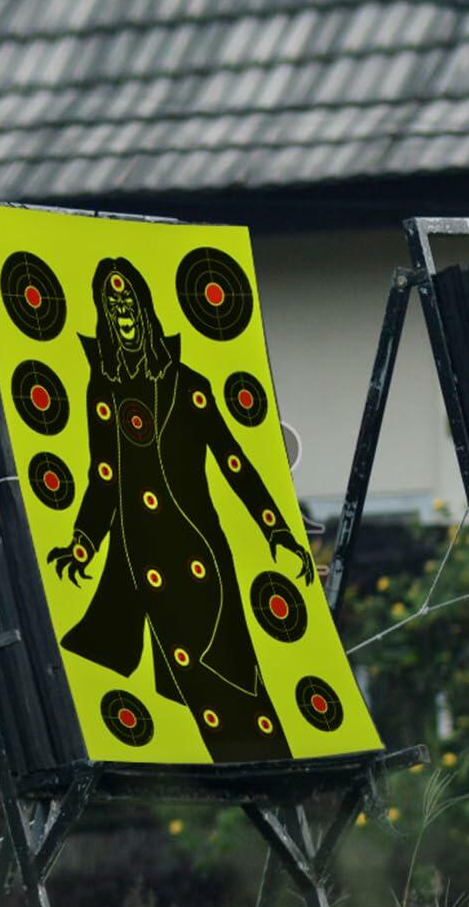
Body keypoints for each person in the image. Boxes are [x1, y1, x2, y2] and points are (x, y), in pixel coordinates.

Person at [48, 256, 312, 762]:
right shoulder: (102, 387)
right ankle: (225, 773)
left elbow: (234, 462)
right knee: (188, 681)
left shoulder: (188, 385)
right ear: (104, 313)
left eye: (128, 299)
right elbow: (103, 476)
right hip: (142, 559)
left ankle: (272, 768)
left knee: (232, 673)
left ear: (143, 307)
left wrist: (275, 529)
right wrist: (82, 543)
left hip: (200, 556)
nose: (122, 310)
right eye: (111, 302)